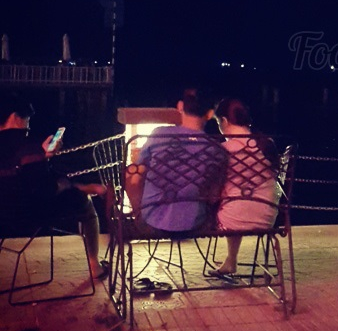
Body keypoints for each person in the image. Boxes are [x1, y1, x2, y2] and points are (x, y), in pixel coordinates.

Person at [0, 92, 108, 280]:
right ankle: (95, 267)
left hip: (4, 215)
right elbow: (46, 190)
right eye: (27, 120)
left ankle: (85, 188)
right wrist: (64, 183)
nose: (28, 126)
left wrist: (44, 156)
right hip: (27, 216)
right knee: (84, 203)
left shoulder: (26, 149)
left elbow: (20, 172)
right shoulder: (28, 146)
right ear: (15, 117)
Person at [125, 88, 227, 232]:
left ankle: (138, 215)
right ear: (210, 114)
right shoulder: (216, 149)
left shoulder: (159, 135)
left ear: (180, 106)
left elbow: (137, 171)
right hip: (195, 223)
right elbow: (213, 196)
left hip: (153, 221)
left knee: (133, 171)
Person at [211, 97, 281, 276]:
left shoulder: (224, 150)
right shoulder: (267, 144)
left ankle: (230, 260)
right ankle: (230, 261)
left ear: (224, 121)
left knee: (226, 202)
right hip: (267, 217)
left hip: (232, 219)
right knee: (236, 201)